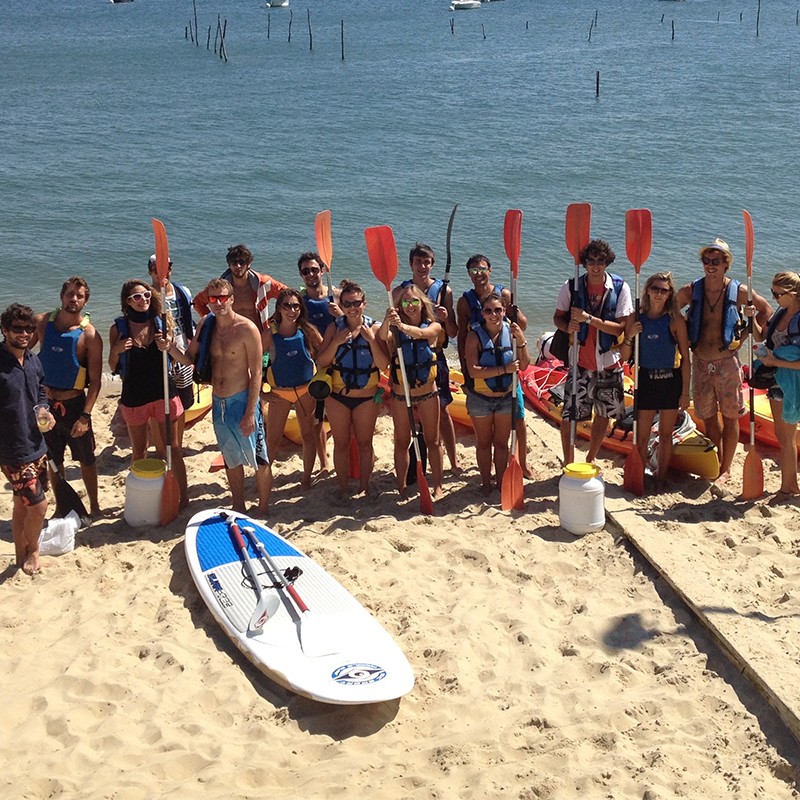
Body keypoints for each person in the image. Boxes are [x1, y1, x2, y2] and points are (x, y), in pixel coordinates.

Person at [169, 278, 271, 513]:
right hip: (219, 402)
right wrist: (170, 349)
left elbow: (257, 374)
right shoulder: (207, 325)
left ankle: (264, 508)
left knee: (259, 458)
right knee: (230, 458)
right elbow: (190, 359)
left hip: (242, 399)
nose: (218, 303)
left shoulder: (247, 329)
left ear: (231, 299)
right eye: (213, 299)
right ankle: (238, 504)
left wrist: (249, 413)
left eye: (223, 297)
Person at [676, 238, 771, 490]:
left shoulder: (739, 291)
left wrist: (747, 332)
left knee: (730, 418)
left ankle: (726, 469)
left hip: (727, 363)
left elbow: (766, 310)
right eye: (706, 260)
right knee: (707, 417)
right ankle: (715, 459)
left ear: (725, 264)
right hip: (700, 362)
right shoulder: (690, 290)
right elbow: (670, 312)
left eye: (715, 261)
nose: (710, 265)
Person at [553, 239, 634, 465]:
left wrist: (589, 319)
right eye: (591, 261)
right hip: (579, 363)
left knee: (604, 414)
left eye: (601, 261)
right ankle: (568, 462)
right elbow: (558, 317)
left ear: (607, 263)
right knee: (570, 416)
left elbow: (620, 327)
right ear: (585, 263)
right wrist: (567, 325)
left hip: (608, 363)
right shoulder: (571, 287)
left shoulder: (620, 287)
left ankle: (590, 459)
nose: (596, 266)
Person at [108, 281, 188, 509]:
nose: (143, 300)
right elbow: (113, 366)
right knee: (140, 451)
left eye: (145, 295)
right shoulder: (119, 328)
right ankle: (142, 498)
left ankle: (184, 497)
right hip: (134, 396)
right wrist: (117, 349)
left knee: (172, 448)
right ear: (127, 301)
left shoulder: (161, 323)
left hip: (164, 392)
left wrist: (169, 345)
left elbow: (181, 358)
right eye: (136, 297)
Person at [457, 254, 531, 478]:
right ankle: (488, 478)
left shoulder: (504, 295)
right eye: (474, 271)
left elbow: (523, 324)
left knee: (518, 420)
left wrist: (513, 320)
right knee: (486, 439)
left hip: (509, 372)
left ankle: (523, 463)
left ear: (490, 270)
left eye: (482, 270)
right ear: (469, 274)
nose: (478, 275)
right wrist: (467, 374)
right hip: (483, 368)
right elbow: (461, 337)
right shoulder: (465, 302)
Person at [34, 277, 103, 517]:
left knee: (86, 459)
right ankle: (62, 505)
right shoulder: (42, 323)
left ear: (85, 300)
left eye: (79, 295)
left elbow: (95, 383)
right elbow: (20, 355)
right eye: (70, 294)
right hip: (45, 405)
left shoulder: (90, 335)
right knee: (53, 458)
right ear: (61, 296)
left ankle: (94, 506)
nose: (74, 299)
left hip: (74, 405)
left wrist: (85, 416)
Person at [316, 281, 389, 496]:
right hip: (338, 396)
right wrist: (336, 342)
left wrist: (372, 341)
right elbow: (322, 360)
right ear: (342, 304)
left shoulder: (374, 328)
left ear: (364, 304)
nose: (352, 307)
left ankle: (365, 487)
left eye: (357, 303)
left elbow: (384, 365)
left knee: (365, 443)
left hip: (366, 397)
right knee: (341, 443)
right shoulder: (334, 328)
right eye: (347, 303)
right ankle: (342, 487)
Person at [619, 272, 690, 490]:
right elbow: (623, 356)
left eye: (664, 290)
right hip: (645, 380)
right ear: (648, 290)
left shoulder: (676, 320)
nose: (659, 293)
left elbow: (686, 359)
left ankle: (661, 478)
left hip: (670, 380)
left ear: (670, 294)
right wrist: (630, 335)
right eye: (655, 288)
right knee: (641, 437)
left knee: (666, 435)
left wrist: (685, 392)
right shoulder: (635, 317)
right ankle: (639, 476)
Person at [395, 243, 461, 474]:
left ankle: (453, 461)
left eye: (427, 262)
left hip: (436, 356)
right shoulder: (400, 292)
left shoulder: (444, 292)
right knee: (411, 412)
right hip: (408, 360)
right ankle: (416, 463)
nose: (422, 266)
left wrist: (445, 317)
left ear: (432, 264)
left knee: (442, 411)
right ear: (411, 264)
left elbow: (452, 332)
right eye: (418, 262)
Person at [0, 304, 54, 575]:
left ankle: (20, 552)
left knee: (23, 503)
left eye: (28, 329)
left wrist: (45, 410)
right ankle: (33, 549)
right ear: (4, 330)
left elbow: (41, 392)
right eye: (17, 329)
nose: (23, 333)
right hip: (12, 450)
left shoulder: (33, 359)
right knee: (39, 505)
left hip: (37, 443)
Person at [380, 284, 444, 500]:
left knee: (433, 440)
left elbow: (423, 334)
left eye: (414, 301)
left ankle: (437, 485)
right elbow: (382, 336)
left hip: (427, 392)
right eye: (405, 302)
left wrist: (403, 327)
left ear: (422, 303)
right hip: (401, 393)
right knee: (401, 441)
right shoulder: (394, 331)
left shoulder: (433, 326)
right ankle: (402, 485)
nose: (410, 306)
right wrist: (389, 319)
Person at [464, 293, 530, 495]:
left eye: (498, 310)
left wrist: (521, 341)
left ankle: (501, 482)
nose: (494, 314)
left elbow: (525, 364)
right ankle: (485, 482)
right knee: (484, 443)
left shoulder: (512, 332)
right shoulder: (474, 336)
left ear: (504, 311)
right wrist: (504, 370)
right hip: (480, 399)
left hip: (505, 398)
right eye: (488, 311)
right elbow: (473, 370)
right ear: (482, 313)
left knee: (501, 444)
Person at [262, 288, 323, 488]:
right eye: (287, 305)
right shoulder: (270, 334)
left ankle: (306, 479)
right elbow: (252, 364)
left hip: (305, 392)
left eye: (296, 305)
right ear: (279, 308)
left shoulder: (307, 331)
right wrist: (261, 393)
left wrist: (322, 382)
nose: (291, 310)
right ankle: (264, 480)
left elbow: (325, 355)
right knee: (273, 439)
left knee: (308, 435)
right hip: (279, 394)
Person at [750, 271, 800, 496]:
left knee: (787, 438)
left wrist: (773, 360)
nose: (774, 297)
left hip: (792, 384)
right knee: (783, 437)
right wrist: (751, 319)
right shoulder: (781, 312)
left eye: (777, 293)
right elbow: (762, 337)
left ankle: (788, 488)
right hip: (776, 382)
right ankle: (789, 485)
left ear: (793, 293)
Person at [297, 251, 342, 474]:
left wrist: (340, 313)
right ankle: (324, 463)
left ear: (322, 271)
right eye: (306, 271)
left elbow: (356, 319)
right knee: (317, 417)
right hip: (315, 363)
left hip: (341, 362)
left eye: (314, 269)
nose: (311, 274)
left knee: (342, 413)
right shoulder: (300, 303)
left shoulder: (337, 296)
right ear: (301, 275)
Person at [193, 244, 287, 331]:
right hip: (232, 336)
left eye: (242, 262)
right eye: (234, 263)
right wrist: (213, 320)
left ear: (248, 263)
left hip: (259, 335)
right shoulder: (221, 289)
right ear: (229, 265)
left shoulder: (262, 283)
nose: (238, 266)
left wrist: (275, 320)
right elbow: (198, 302)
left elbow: (288, 295)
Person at [147, 254, 196, 416]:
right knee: (162, 396)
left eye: (166, 269)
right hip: (159, 355)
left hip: (183, 351)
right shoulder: (146, 298)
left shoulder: (183, 292)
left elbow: (189, 322)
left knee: (185, 398)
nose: (162, 274)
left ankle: (183, 417)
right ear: (150, 272)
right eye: (157, 270)